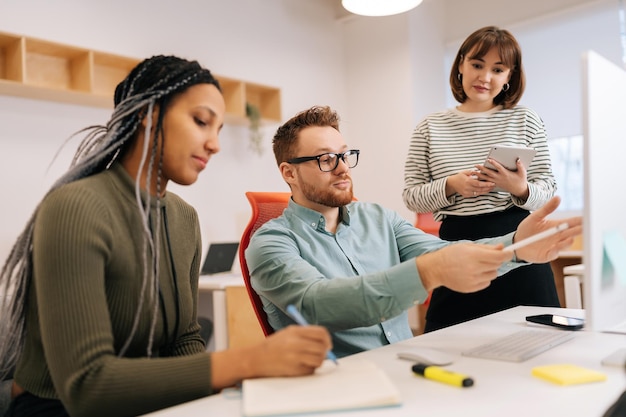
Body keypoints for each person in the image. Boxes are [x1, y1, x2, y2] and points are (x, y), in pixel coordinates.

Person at [0, 56, 331, 417]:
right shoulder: (75, 207)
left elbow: (184, 338)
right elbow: (87, 385)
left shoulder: (183, 217)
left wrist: (214, 403)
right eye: (202, 121)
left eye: (218, 130)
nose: (214, 144)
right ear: (149, 115)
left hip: (148, 402)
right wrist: (246, 362)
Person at [245, 105, 581, 359]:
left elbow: (442, 254)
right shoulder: (270, 243)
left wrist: (519, 246)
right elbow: (320, 304)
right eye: (325, 159)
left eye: (345, 156)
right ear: (288, 172)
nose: (343, 168)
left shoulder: (376, 217)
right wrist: (427, 272)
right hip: (338, 384)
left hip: (406, 365)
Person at [402, 26, 560, 332]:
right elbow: (411, 195)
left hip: (520, 238)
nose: (485, 77)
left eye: (497, 69)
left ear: (509, 77)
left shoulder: (526, 119)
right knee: (450, 343)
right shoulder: (429, 127)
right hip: (457, 243)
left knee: (536, 343)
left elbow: (549, 190)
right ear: (460, 64)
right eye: (477, 64)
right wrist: (452, 185)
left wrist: (520, 188)